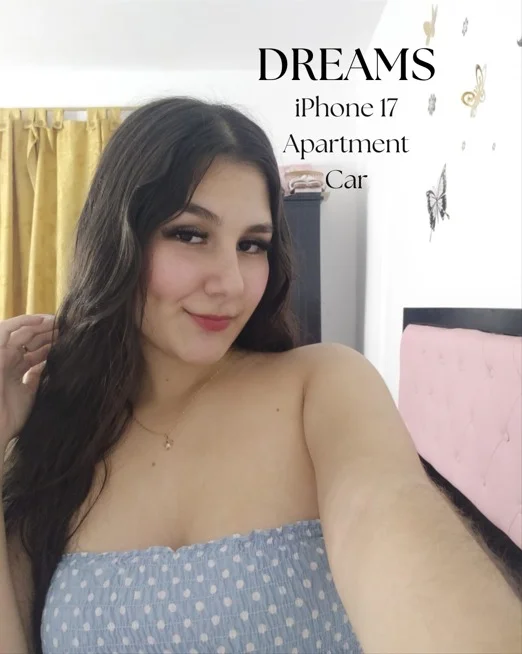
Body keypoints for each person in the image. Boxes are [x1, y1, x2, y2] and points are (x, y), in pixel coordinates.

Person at [0, 97, 520, 654]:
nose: (231, 282)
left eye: (252, 245)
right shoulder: (55, 439)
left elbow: (388, 510)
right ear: (115, 240)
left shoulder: (322, 387)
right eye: (190, 234)